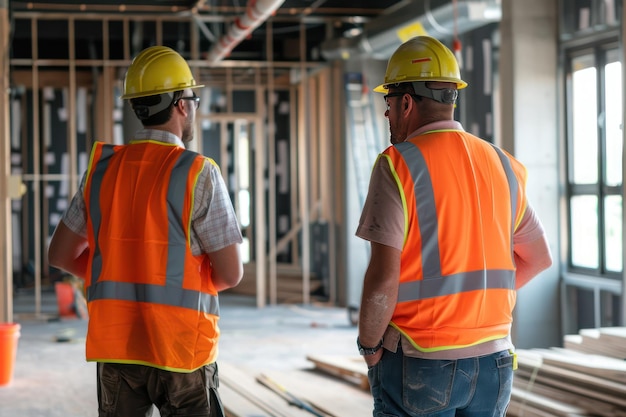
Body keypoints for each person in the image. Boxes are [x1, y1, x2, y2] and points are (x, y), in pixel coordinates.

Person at [355, 36, 553, 417]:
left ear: (407, 102)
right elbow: (538, 258)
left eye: (389, 104)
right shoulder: (502, 163)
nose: (387, 115)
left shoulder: (397, 164)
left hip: (421, 358)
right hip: (495, 362)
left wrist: (369, 345)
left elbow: (383, 278)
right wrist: (473, 302)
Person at [48, 45, 243, 417]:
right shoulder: (198, 172)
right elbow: (231, 273)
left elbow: (60, 255)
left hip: (118, 346)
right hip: (182, 349)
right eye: (193, 98)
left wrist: (121, 273)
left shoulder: (102, 171)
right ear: (181, 104)